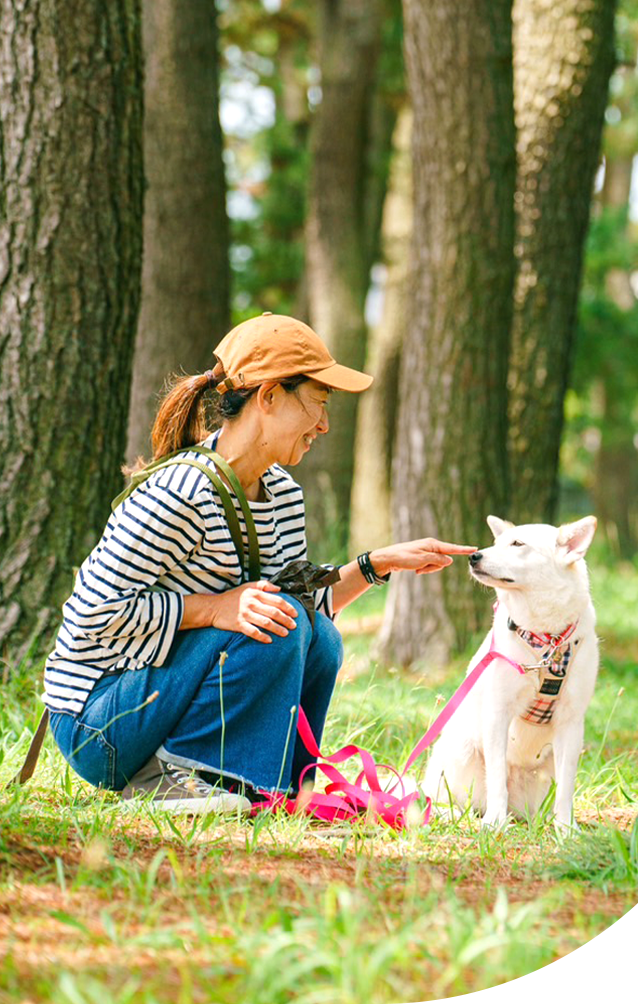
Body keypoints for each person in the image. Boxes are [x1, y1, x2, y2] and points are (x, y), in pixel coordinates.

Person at [43, 313, 475, 813]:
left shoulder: (283, 495)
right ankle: (174, 779)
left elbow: (298, 607)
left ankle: (264, 784)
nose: (325, 425)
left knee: (315, 631)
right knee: (283, 626)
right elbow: (91, 614)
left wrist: (377, 565)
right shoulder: (178, 495)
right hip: (100, 725)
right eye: (317, 404)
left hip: (158, 700)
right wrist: (213, 609)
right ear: (269, 397)